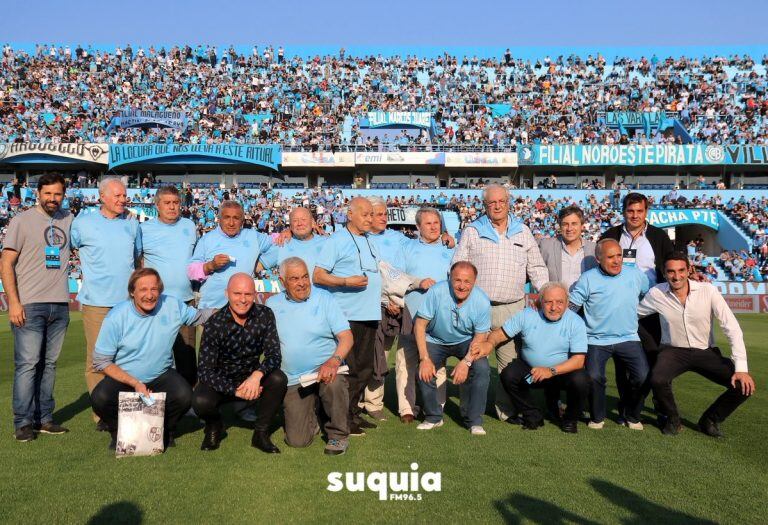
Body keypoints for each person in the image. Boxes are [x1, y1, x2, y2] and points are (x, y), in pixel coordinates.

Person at [452, 183, 548, 422]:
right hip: (479, 306)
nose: (496, 206)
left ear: (509, 203)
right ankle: (468, 410)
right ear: (484, 205)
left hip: (512, 307)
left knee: (508, 362)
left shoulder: (523, 231)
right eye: (491, 202)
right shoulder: (473, 230)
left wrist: (546, 293)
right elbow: (457, 266)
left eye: (501, 202)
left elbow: (536, 267)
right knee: (472, 358)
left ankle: (505, 411)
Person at [90, 268, 210, 450]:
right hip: (126, 377)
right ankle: (119, 434)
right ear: (132, 292)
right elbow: (101, 361)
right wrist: (135, 383)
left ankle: (166, 431)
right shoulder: (116, 316)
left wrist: (231, 309)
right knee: (100, 397)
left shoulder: (172, 306)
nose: (149, 295)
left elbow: (200, 317)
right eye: (143, 290)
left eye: (154, 289)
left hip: (160, 374)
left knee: (184, 395)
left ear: (160, 291)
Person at [638, 253, 755, 437]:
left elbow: (731, 327)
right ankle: (673, 420)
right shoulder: (656, 293)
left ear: (689, 269)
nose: (676, 276)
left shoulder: (708, 291)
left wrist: (741, 368)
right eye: (671, 272)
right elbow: (633, 314)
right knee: (658, 380)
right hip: (673, 351)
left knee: (743, 387)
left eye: (681, 270)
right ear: (664, 272)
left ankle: (710, 420)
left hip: (705, 351)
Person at [1, 174, 73, 441]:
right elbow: (6, 262)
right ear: (38, 193)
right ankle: (23, 422)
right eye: (48, 194)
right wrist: (14, 302)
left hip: (60, 304)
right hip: (29, 304)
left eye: (58, 194)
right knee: (28, 365)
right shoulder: (22, 220)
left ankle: (44, 419)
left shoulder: (68, 219)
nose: (53, 199)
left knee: (50, 365)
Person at [471, 282, 590, 433]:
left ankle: (570, 419)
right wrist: (489, 343)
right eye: (548, 302)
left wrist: (550, 371)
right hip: (532, 372)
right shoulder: (528, 315)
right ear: (540, 302)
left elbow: (579, 361)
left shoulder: (576, 322)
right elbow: (499, 333)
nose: (554, 307)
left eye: (559, 302)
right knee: (509, 375)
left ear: (567, 303)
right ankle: (533, 414)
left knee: (582, 380)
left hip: (560, 374)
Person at [71, 177, 142, 426]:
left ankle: (127, 408)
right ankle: (101, 412)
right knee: (97, 359)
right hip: (97, 303)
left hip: (127, 303)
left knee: (128, 357)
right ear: (102, 197)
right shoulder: (82, 224)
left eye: (124, 195)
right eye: (118, 196)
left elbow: (137, 260)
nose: (123, 199)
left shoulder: (133, 225)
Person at [266, 257, 353, 455]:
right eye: (295, 279)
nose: (302, 283)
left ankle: (338, 436)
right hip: (294, 377)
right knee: (297, 441)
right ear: (282, 282)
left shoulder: (325, 298)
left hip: (326, 368)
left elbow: (346, 337)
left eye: (305, 276)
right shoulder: (272, 305)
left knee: (335, 383)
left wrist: (334, 361)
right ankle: (313, 413)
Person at [192, 273, 287, 453]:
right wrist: (235, 391)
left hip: (252, 378)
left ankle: (261, 433)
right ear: (227, 294)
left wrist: (257, 376)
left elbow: (274, 355)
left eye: (248, 294)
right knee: (200, 400)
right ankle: (214, 426)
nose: (243, 300)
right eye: (237, 294)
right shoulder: (214, 323)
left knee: (278, 379)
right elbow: (205, 371)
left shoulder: (265, 315)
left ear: (254, 294)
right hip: (222, 381)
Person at [600, 192, 673, 423]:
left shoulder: (659, 236)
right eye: (630, 211)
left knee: (655, 361)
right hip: (620, 309)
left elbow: (672, 264)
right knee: (622, 363)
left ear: (646, 212)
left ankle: (659, 406)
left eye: (639, 211)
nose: (634, 215)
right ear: (623, 211)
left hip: (651, 310)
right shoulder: (610, 235)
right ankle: (626, 407)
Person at [314, 197, 383, 436]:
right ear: (349, 214)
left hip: (369, 315)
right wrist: (345, 281)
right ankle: (341, 418)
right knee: (350, 370)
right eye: (365, 214)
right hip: (347, 317)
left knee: (364, 370)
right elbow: (318, 275)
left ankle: (353, 414)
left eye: (372, 215)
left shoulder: (369, 241)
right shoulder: (336, 240)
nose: (369, 219)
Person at [569, 239, 650, 430]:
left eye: (619, 255)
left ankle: (632, 415)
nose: (616, 261)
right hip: (596, 340)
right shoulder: (587, 278)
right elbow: (572, 307)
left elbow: (650, 294)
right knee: (595, 376)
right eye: (610, 257)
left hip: (629, 337)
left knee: (643, 376)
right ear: (598, 259)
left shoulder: (636, 275)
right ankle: (597, 417)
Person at [415, 261, 491, 435]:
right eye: (457, 280)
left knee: (481, 368)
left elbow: (480, 337)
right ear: (450, 278)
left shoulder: (482, 301)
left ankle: (474, 421)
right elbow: (420, 325)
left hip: (466, 341)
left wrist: (466, 362)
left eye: (467, 282)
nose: (462, 286)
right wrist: (424, 359)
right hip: (434, 338)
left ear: (474, 282)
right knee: (423, 371)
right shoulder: (436, 292)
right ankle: (433, 417)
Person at [140, 185, 198, 386]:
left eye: (176, 203)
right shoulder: (144, 230)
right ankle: (154, 398)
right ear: (157, 206)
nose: (172, 207)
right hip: (155, 304)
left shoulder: (189, 226)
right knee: (154, 354)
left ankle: (188, 400)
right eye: (167, 203)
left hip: (185, 301)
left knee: (187, 355)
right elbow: (137, 262)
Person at [397, 207, 451, 423]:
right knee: (405, 363)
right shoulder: (406, 247)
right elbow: (397, 277)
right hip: (411, 313)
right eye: (428, 224)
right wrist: (418, 282)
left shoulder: (450, 249)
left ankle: (436, 406)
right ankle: (407, 409)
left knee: (438, 364)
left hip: (440, 317)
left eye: (436, 223)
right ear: (418, 227)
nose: (433, 227)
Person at [187, 201, 274, 309]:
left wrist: (263, 263)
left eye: (236, 218)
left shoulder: (252, 236)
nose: (231, 223)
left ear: (242, 221)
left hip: (243, 307)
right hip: (212, 308)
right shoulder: (207, 240)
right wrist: (210, 266)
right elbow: (191, 271)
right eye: (227, 217)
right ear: (219, 219)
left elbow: (278, 243)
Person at [538, 205, 598, 290]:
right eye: (565, 224)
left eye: (574, 224)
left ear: (582, 226)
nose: (569, 228)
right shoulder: (547, 246)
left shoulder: (594, 249)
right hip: (556, 301)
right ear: (560, 226)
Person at [260, 206, 326, 281]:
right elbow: (257, 266)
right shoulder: (281, 243)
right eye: (295, 220)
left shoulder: (327, 243)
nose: (299, 223)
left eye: (303, 219)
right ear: (290, 226)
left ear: (313, 222)